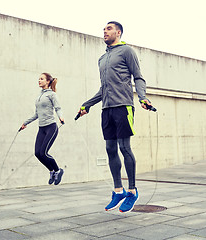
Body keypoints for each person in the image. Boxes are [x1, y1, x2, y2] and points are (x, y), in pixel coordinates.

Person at [77, 21, 154, 213]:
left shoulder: (127, 51)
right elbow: (104, 89)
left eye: (109, 29)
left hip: (123, 106)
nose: (104, 31)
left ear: (118, 32)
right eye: (103, 29)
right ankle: (118, 190)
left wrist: (143, 98)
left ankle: (132, 191)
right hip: (107, 108)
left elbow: (138, 77)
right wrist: (87, 104)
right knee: (110, 148)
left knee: (124, 147)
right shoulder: (102, 59)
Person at [21, 73, 65, 185]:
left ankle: (58, 170)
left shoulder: (52, 95)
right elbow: (36, 114)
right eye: (39, 79)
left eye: (41, 79)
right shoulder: (39, 97)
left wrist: (61, 117)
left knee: (44, 153)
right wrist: (25, 123)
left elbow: (58, 108)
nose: (39, 81)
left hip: (51, 127)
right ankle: (51, 171)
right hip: (42, 128)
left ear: (48, 81)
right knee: (37, 153)